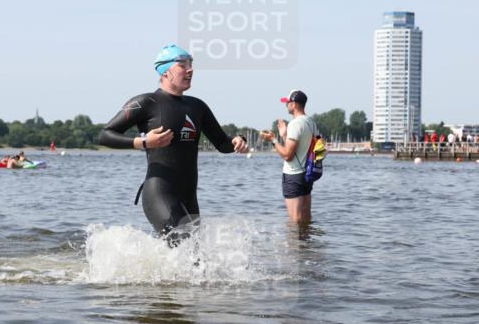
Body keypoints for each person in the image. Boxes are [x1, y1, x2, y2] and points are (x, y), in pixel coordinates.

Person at [98, 44, 249, 243]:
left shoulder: (197, 106)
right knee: (184, 249)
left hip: (189, 196)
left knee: (192, 255)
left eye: (191, 64)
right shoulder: (146, 102)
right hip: (159, 192)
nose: (190, 69)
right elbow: (104, 135)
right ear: (165, 71)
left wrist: (238, 141)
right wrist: (144, 142)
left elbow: (222, 144)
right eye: (182, 64)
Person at [260, 90, 317, 224]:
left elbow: (288, 155)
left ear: (295, 104)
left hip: (293, 176)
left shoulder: (295, 124)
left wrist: (274, 140)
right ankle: (306, 244)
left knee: (294, 219)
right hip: (307, 174)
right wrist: (284, 135)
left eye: (288, 102)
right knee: (306, 217)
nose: (286, 105)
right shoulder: (311, 122)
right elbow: (301, 148)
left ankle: (293, 245)